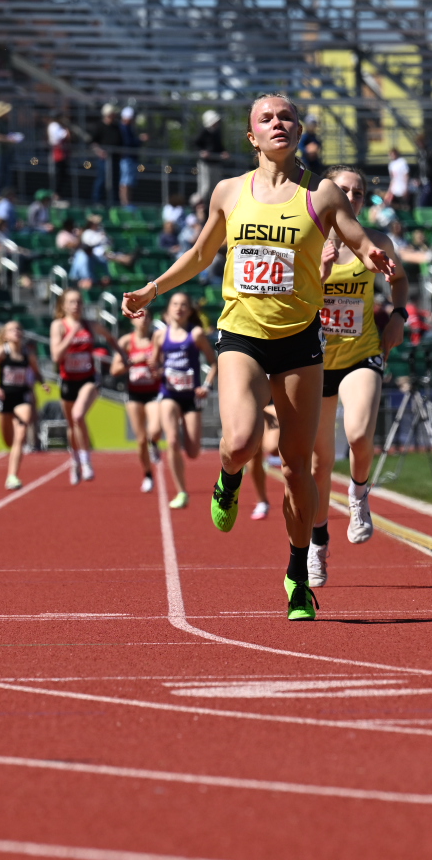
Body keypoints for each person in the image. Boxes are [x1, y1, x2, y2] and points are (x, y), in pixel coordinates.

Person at [121, 93, 393, 622]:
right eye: (266, 118)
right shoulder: (228, 192)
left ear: (300, 131)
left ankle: (296, 575)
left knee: (297, 471)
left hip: (299, 342)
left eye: (286, 117)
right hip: (241, 334)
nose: (278, 124)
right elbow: (201, 255)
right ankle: (228, 476)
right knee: (241, 440)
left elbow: (358, 239)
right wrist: (151, 290)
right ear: (252, 137)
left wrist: (372, 254)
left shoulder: (323, 193)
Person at [308, 165, 407, 584]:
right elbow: (285, 301)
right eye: (342, 189)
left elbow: (399, 280)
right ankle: (316, 543)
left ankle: (359, 492)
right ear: (326, 193)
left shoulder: (376, 242)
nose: (350, 197)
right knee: (318, 462)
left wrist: (398, 315)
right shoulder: (306, 241)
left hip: (360, 353)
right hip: (312, 361)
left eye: (359, 193)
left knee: (359, 434)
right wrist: (322, 273)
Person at [156, 292, 218, 510]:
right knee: (172, 441)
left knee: (193, 452)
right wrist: (155, 370)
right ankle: (182, 491)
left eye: (183, 304)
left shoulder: (197, 334)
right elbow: (155, 365)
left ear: (190, 310)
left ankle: (182, 431)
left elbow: (214, 363)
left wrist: (206, 386)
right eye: (175, 304)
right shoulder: (161, 336)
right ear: (169, 309)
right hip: (169, 394)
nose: (179, 308)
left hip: (191, 396)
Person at [51, 288, 117, 485]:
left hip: (88, 379)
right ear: (64, 305)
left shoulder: (91, 324)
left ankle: (86, 461)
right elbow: (56, 356)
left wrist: (121, 355)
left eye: (79, 301)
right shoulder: (58, 326)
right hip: (68, 381)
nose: (76, 305)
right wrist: (72, 335)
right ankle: (75, 461)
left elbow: (110, 337)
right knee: (72, 425)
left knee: (79, 416)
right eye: (71, 302)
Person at [0, 320, 41, 491]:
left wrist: (42, 383)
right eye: (12, 330)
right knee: (8, 441)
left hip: (22, 397)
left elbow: (36, 371)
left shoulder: (28, 353)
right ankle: (13, 463)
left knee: (21, 434)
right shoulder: (1, 352)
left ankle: (12, 476)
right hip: (4, 398)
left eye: (19, 329)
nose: (16, 332)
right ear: (5, 335)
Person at [112, 306, 164, 493]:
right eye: (139, 316)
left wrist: (157, 370)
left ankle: (155, 443)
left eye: (147, 316)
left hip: (154, 392)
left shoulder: (157, 340)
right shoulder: (126, 342)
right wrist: (135, 360)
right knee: (140, 440)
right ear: (132, 320)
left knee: (155, 429)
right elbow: (114, 369)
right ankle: (147, 474)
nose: (143, 320)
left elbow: (166, 366)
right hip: (134, 394)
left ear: (150, 320)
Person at [90, 104, 124, 205]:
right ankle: (97, 201)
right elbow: (93, 143)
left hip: (115, 158)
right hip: (104, 159)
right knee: (102, 179)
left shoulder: (116, 126)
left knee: (115, 180)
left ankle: (114, 202)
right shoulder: (99, 126)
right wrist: (99, 151)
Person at [193, 110, 228, 206]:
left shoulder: (217, 133)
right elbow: (196, 145)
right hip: (205, 164)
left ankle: (214, 206)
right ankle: (199, 206)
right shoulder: (203, 132)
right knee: (205, 186)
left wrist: (223, 153)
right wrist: (202, 152)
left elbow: (219, 146)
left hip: (215, 163)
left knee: (215, 186)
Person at [117, 106, 143, 207]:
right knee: (125, 182)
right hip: (126, 158)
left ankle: (128, 202)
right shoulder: (123, 128)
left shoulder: (129, 128)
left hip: (131, 159)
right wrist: (139, 140)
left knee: (129, 182)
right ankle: (125, 203)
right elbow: (128, 142)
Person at [47, 114, 71, 201]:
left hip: (62, 153)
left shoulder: (57, 126)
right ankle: (56, 195)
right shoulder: (54, 126)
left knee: (63, 175)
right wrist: (66, 130)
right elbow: (62, 136)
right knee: (59, 175)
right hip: (58, 153)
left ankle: (58, 194)